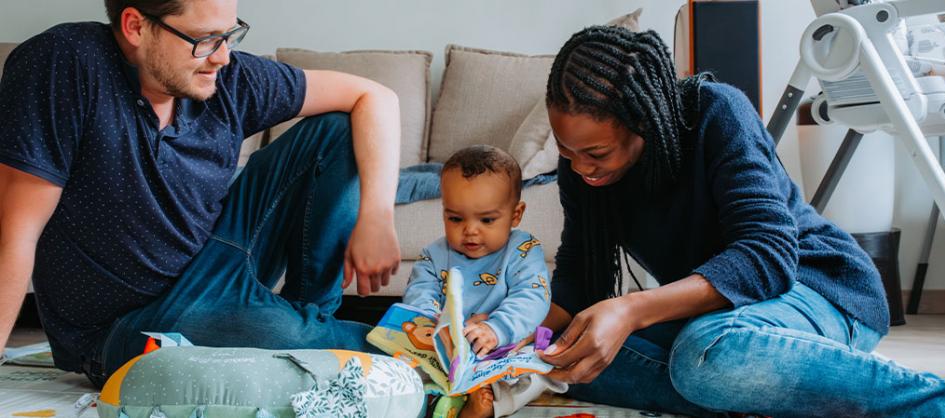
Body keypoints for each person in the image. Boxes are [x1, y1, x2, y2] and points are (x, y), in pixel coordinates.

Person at [537, 25, 945, 417]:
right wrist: (515, 335)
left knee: (708, 355)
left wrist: (630, 309)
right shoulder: (581, 168)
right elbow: (577, 272)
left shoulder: (717, 112)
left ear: (645, 122)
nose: (580, 168)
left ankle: (943, 401)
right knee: (575, 364)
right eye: (566, 150)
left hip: (820, 287)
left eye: (596, 153)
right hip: (729, 315)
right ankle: (786, 392)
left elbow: (767, 257)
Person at [0, 0, 402, 387]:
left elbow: (376, 97)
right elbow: (16, 232)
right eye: (205, 38)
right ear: (135, 26)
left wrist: (377, 217)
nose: (223, 56)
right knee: (319, 341)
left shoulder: (228, 78)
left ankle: (308, 318)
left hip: (216, 256)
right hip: (131, 324)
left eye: (229, 34)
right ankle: (391, 352)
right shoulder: (64, 63)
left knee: (336, 129)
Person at [403, 145, 561, 418]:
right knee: (407, 370)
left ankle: (484, 406)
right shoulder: (434, 256)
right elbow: (419, 296)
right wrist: (435, 326)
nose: (470, 230)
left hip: (502, 347)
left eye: (487, 219)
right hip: (447, 352)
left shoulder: (523, 249)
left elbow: (532, 298)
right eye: (455, 218)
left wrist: (496, 329)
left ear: (516, 214)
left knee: (540, 372)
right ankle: (438, 402)